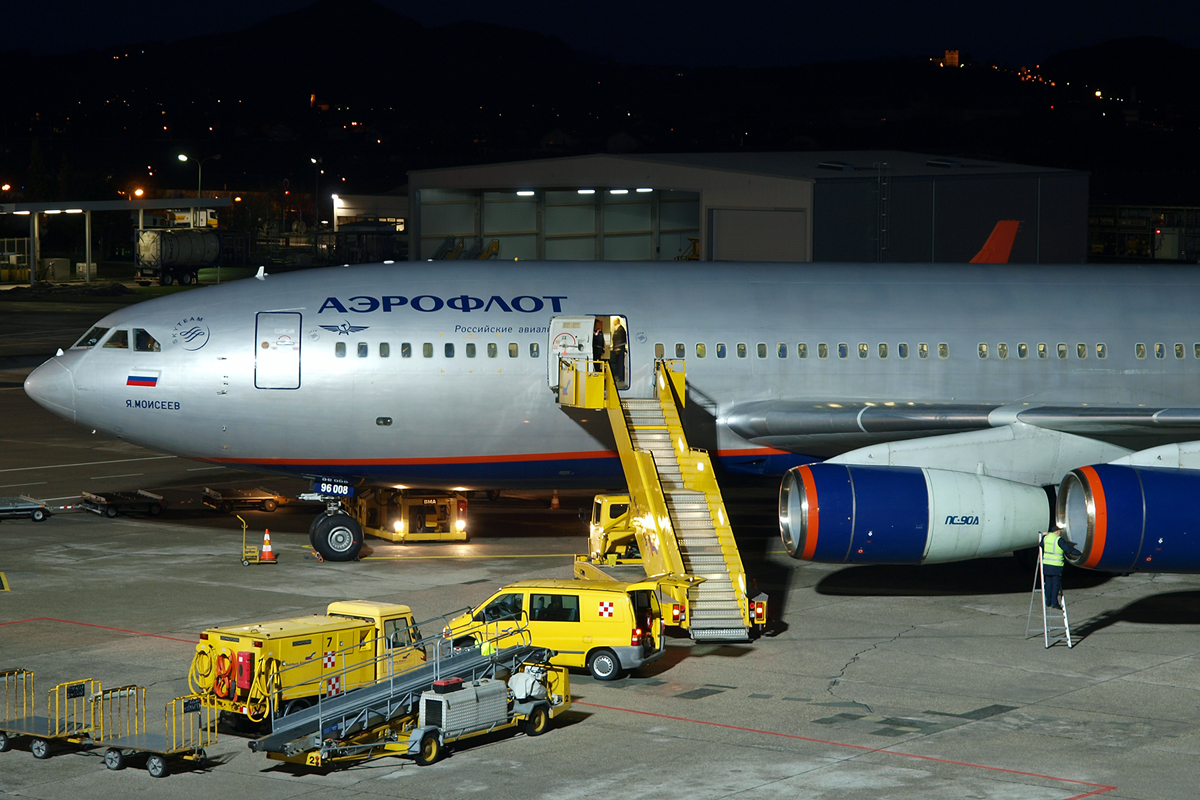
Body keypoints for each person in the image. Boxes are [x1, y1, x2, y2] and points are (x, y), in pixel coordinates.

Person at [1041, 528, 1081, 609]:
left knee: (1048, 584)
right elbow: (1068, 549)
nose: (1061, 533)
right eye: (1060, 531)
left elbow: (1041, 544)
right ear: (1056, 531)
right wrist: (1079, 553)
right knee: (1055, 585)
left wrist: (1044, 535)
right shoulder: (1058, 540)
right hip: (1056, 566)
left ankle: (1048, 601)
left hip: (1046, 565)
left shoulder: (1046, 538)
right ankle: (1054, 602)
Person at [610, 318, 627, 384]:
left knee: (620, 363)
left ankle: (621, 377)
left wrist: (617, 349)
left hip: (619, 350)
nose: (613, 323)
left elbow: (620, 340)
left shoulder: (620, 329)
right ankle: (620, 376)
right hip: (617, 349)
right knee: (618, 363)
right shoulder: (617, 329)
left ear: (617, 322)